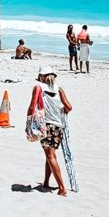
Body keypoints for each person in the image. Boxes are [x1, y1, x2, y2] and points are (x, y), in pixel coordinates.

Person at [27, 67, 72, 196]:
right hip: (58, 127)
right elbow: (69, 107)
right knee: (51, 155)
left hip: (45, 126)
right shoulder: (59, 89)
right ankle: (46, 182)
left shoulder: (38, 87)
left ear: (41, 76)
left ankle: (62, 188)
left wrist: (28, 122)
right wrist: (60, 111)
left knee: (50, 156)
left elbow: (32, 106)